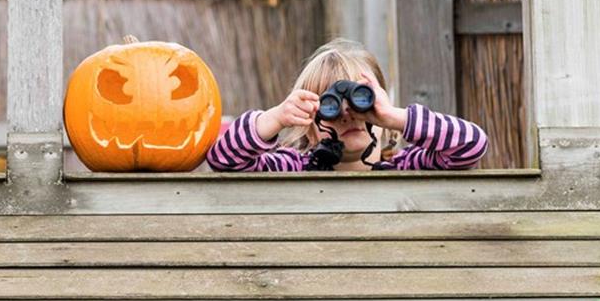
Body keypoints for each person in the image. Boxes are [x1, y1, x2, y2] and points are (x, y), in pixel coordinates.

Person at [207, 38, 487, 172]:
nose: (346, 114)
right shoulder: (294, 168)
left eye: (361, 103)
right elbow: (224, 160)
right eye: (330, 107)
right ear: (309, 125)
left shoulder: (407, 165)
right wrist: (277, 118)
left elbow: (472, 145)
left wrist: (394, 117)